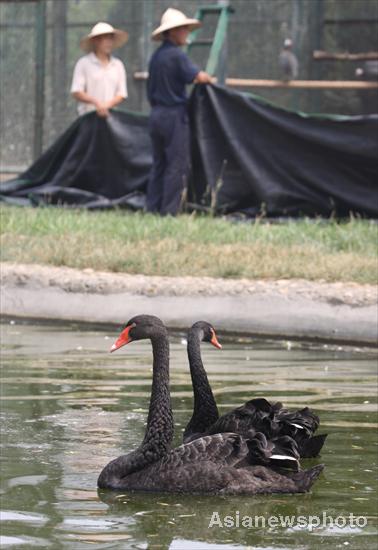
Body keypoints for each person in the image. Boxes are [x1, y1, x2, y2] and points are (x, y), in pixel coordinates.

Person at [146, 8, 213, 216]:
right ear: (172, 32)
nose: (186, 32)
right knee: (176, 165)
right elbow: (199, 77)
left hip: (156, 116)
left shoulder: (156, 57)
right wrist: (208, 78)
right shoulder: (177, 56)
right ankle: (169, 211)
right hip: (174, 116)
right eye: (182, 29)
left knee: (159, 164)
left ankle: (153, 208)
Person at [71, 22, 128, 117]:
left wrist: (107, 105)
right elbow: (77, 91)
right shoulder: (84, 63)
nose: (108, 42)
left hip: (111, 118)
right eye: (105, 38)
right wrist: (96, 103)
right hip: (88, 117)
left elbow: (121, 93)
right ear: (95, 41)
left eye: (110, 38)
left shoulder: (118, 65)